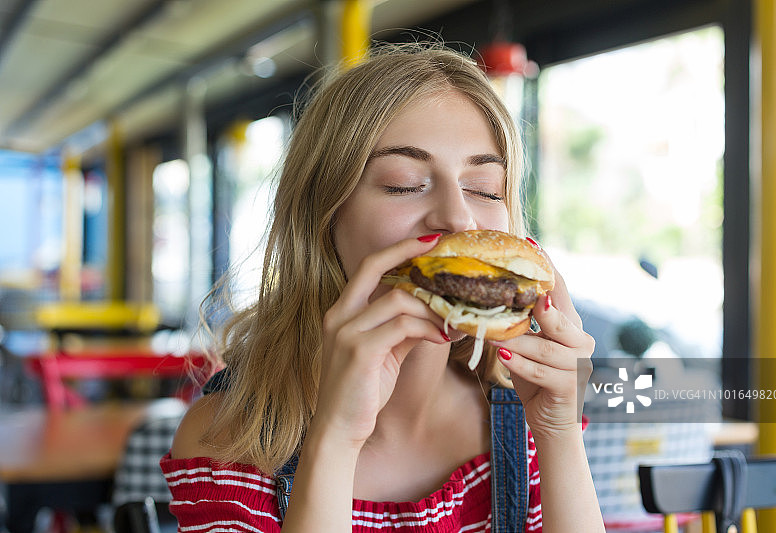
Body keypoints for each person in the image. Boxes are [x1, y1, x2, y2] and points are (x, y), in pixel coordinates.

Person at [161, 42, 605, 532]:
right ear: (324, 217)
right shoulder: (226, 440)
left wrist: (559, 434)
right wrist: (334, 439)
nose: (458, 216)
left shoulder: (527, 419)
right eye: (404, 183)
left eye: (484, 189)